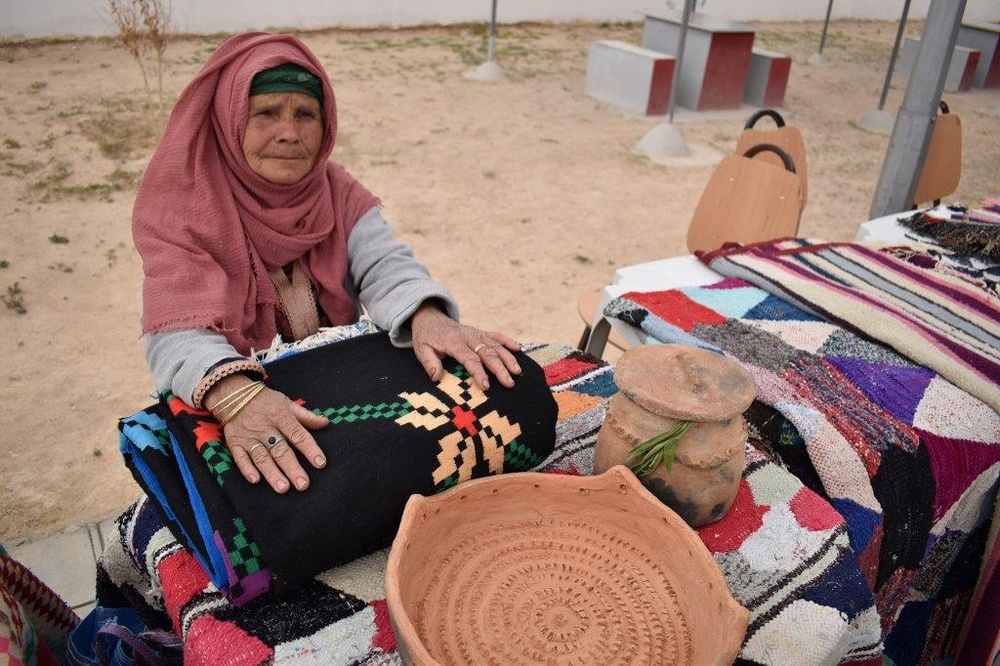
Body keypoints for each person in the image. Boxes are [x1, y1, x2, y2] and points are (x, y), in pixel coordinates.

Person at [132, 31, 522, 497]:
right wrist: (238, 398)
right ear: (229, 119)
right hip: (234, 400)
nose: (290, 133)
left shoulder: (335, 191)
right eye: (266, 113)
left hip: (336, 390)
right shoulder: (186, 209)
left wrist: (427, 315)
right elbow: (175, 331)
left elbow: (385, 266)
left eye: (305, 114)